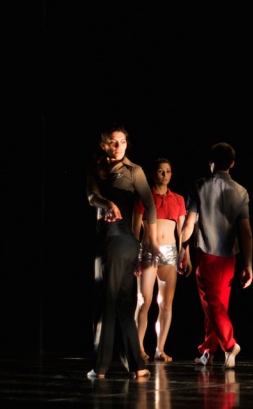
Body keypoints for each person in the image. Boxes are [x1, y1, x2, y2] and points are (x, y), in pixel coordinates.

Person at [85, 123, 161, 379]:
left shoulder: (134, 171)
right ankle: (138, 366)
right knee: (123, 305)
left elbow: (150, 205)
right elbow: (91, 196)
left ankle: (100, 367)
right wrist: (107, 203)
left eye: (123, 142)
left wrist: (151, 241)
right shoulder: (96, 169)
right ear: (104, 145)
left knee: (107, 303)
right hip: (113, 242)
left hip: (120, 243)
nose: (119, 147)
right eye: (113, 142)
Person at [179, 142, 253, 368]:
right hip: (229, 257)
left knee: (212, 304)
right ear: (232, 163)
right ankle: (208, 350)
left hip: (207, 254)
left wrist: (183, 251)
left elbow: (189, 225)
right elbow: (246, 232)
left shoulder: (199, 186)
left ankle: (230, 345)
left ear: (210, 162)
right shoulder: (241, 191)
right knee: (216, 306)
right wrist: (248, 264)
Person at [133, 157, 192, 363]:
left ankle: (160, 348)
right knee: (144, 300)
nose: (164, 174)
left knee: (166, 303)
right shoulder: (144, 197)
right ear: (153, 174)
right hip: (148, 250)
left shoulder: (178, 199)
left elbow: (183, 230)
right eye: (160, 171)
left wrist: (186, 255)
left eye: (167, 171)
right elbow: (135, 228)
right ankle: (138, 347)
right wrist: (135, 255)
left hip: (170, 251)